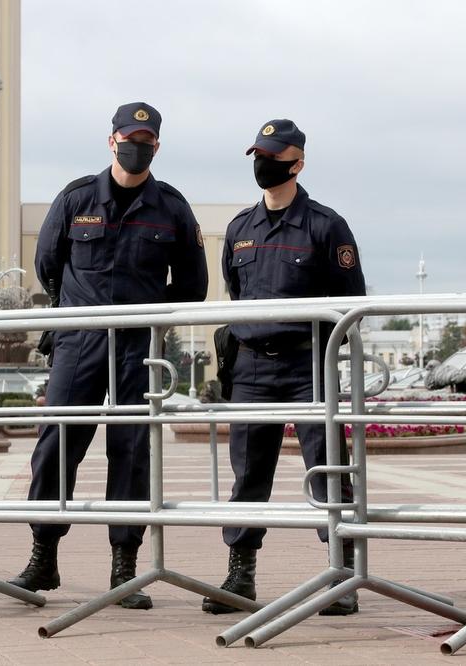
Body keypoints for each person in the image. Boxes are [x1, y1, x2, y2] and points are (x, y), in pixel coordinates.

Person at [7, 102, 209, 609]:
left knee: (132, 452)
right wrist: (76, 314)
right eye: (128, 136)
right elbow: (48, 265)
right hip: (79, 341)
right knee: (56, 446)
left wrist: (147, 315)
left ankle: (124, 568)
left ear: (157, 146)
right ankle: (43, 556)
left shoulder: (172, 208)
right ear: (111, 139)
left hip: (139, 347)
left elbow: (193, 285)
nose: (135, 145)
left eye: (146, 139)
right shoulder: (76, 198)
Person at [202, 119, 365, 616]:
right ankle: (240, 576)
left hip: (306, 365)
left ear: (298, 162)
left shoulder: (325, 225)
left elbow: (350, 300)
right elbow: (236, 291)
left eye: (273, 156)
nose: (263, 163)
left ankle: (343, 575)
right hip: (251, 368)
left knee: (328, 472)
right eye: (258, 154)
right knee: (248, 475)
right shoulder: (239, 229)